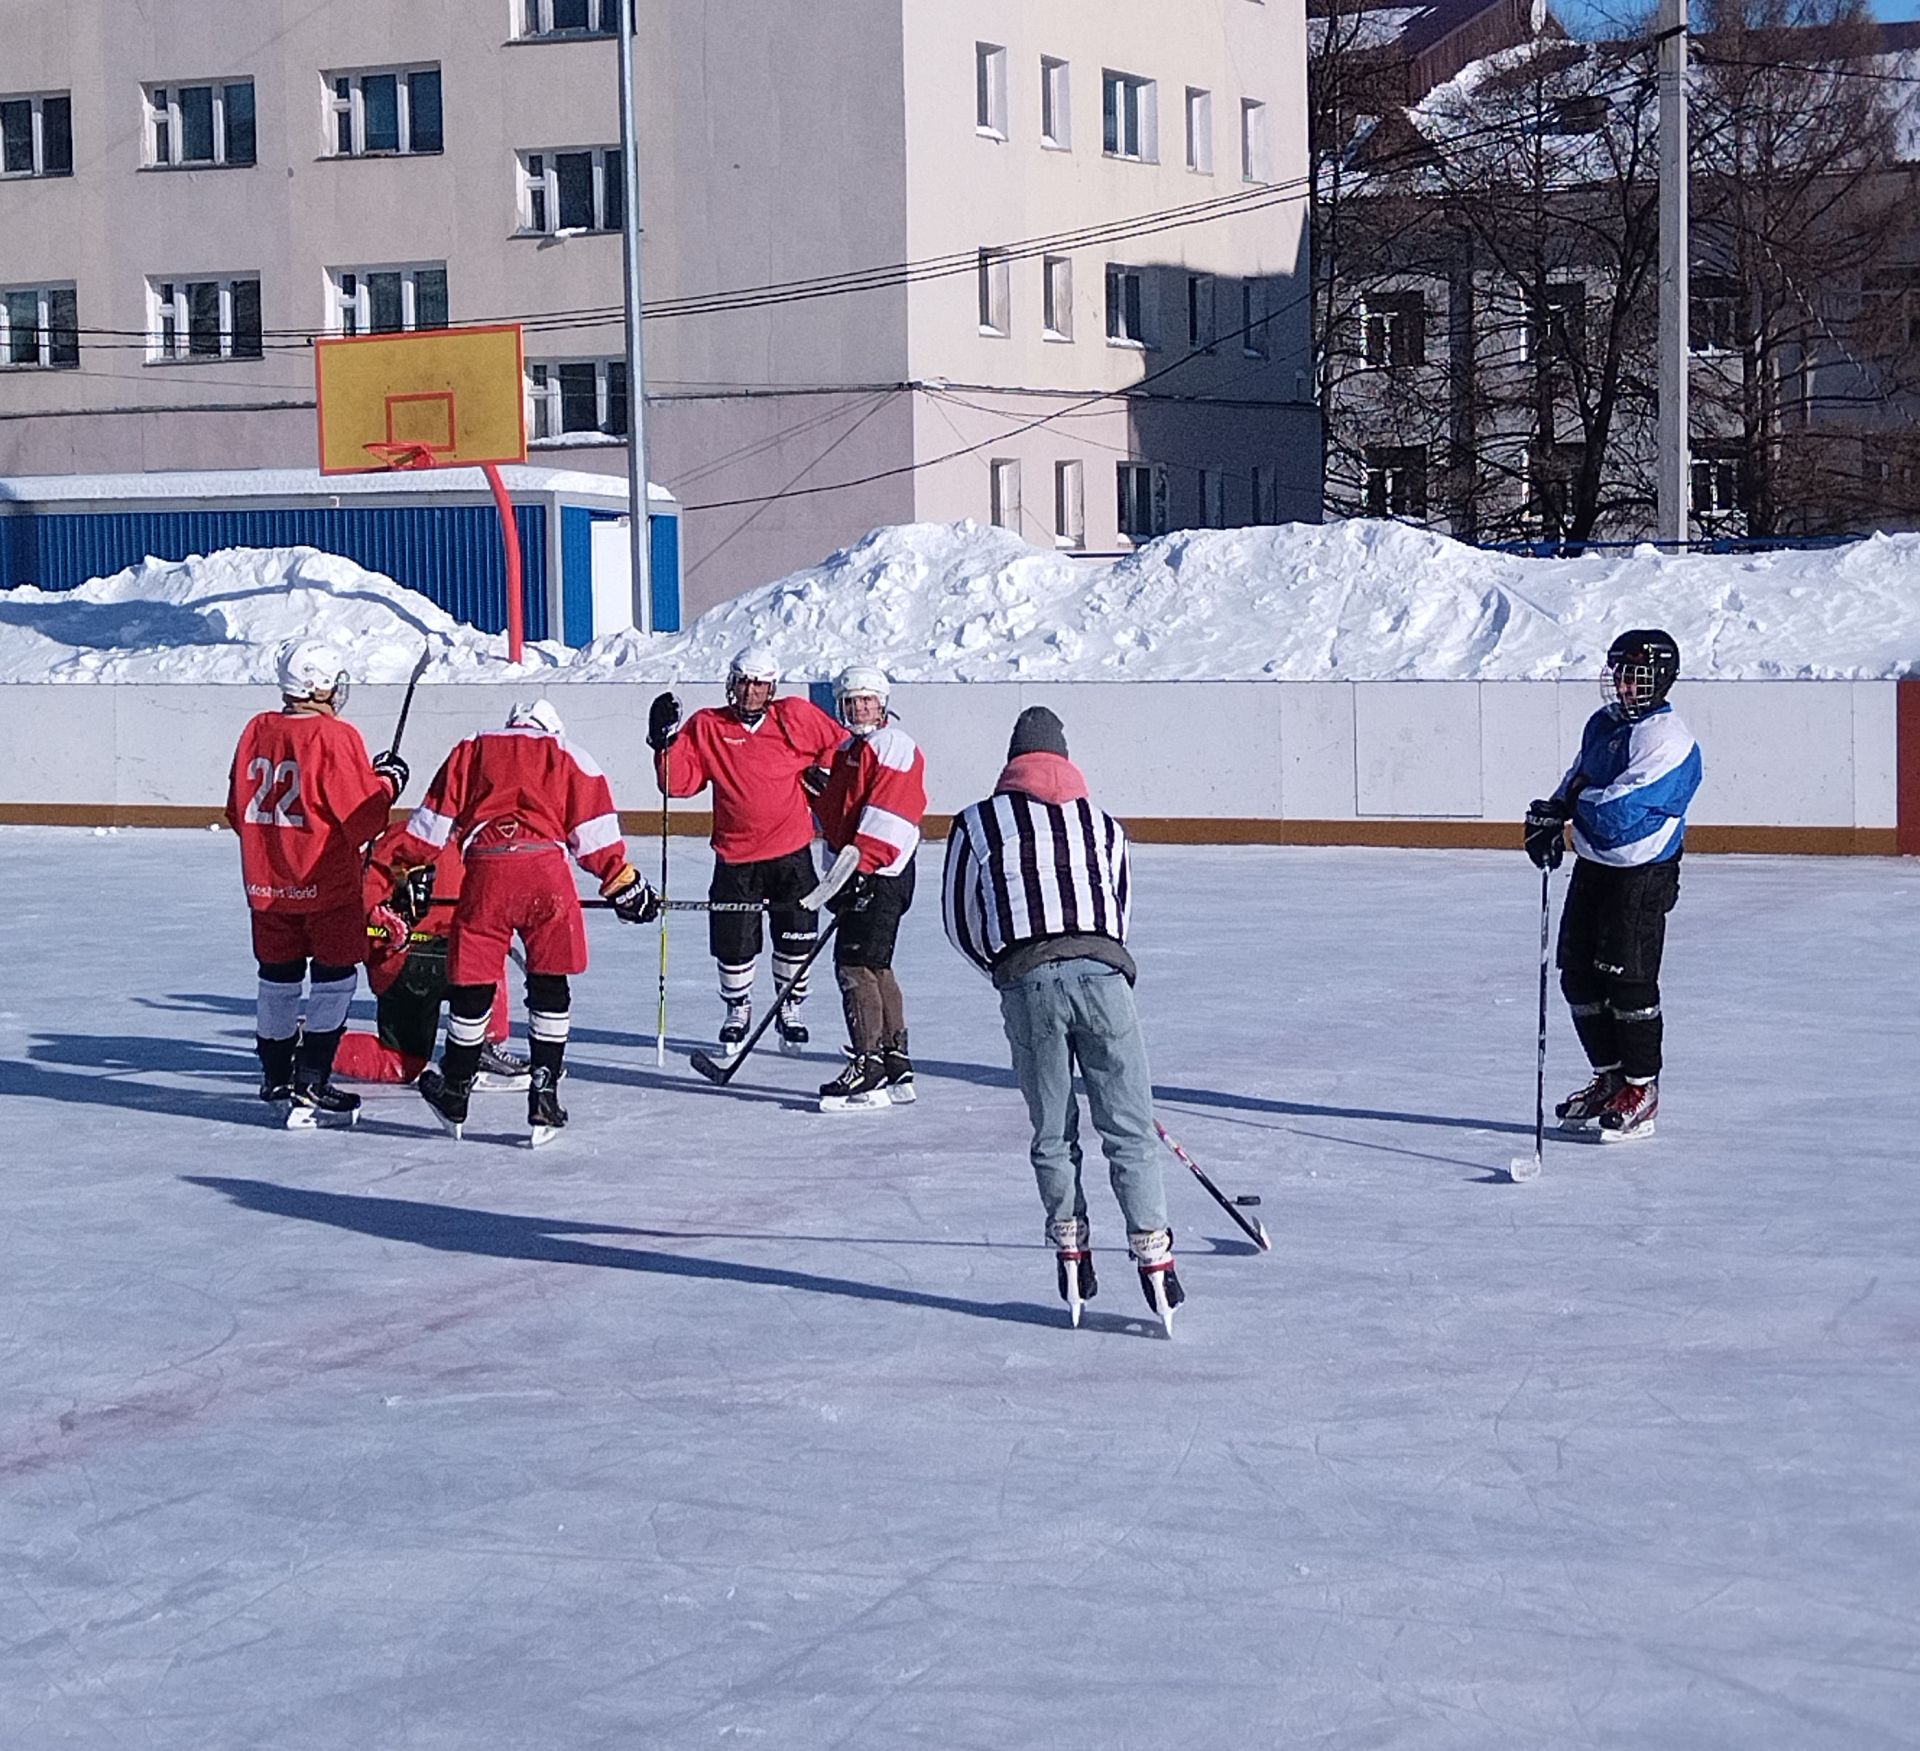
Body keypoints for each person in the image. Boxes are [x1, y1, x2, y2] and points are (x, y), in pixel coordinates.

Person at [941, 705, 1182, 1330]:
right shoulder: (1106, 827)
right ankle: (1155, 1255)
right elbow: (1117, 915)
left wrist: (1007, 969)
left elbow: (959, 921)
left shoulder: (975, 823)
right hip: (1105, 978)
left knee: (1054, 1132)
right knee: (1127, 1128)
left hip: (1028, 982)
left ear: (1012, 761)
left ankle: (1072, 1250)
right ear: (1066, 760)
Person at [391, 699, 659, 1144]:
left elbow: (432, 823)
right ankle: (545, 1096)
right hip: (545, 874)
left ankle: (456, 1089)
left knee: (473, 982)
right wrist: (622, 880)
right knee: (549, 983)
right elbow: (593, 831)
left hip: (486, 872)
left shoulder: (474, 747)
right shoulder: (567, 752)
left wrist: (407, 868)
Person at [1525, 628, 1703, 1142]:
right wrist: (1550, 812)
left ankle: (1641, 1089)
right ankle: (1609, 1078)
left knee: (1629, 982)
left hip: (1642, 873)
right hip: (1596, 867)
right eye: (1621, 677)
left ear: (1663, 680)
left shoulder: (1669, 740)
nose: (1625, 689)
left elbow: (1620, 811)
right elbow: (1579, 777)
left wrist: (1571, 817)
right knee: (1577, 975)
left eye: (1637, 679)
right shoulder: (1602, 725)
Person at [226, 638, 407, 1127]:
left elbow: (235, 809)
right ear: (317, 684)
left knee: (277, 980)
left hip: (267, 887)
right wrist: (388, 783)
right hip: (327, 885)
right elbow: (363, 818)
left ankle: (275, 1076)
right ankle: (312, 1079)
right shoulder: (336, 736)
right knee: (334, 978)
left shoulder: (255, 729)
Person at [648, 645, 844, 1055]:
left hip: (791, 850)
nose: (751, 691)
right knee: (733, 939)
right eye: (744, 682)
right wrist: (662, 742)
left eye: (759, 684)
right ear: (731, 683)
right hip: (736, 856)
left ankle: (789, 1006)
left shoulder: (794, 716)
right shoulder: (707, 725)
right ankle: (738, 1008)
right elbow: (678, 784)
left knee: (795, 934)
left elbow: (838, 744)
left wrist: (824, 773)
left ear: (772, 687)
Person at [809, 664, 927, 1112]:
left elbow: (893, 809)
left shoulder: (893, 744)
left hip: (878, 872)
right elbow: (848, 808)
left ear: (883, 704)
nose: (859, 708)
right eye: (852, 701)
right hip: (868, 870)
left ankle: (868, 1066)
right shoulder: (852, 749)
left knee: (854, 966)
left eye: (867, 700)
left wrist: (860, 868)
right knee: (876, 965)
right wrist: (820, 793)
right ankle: (895, 1063)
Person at [333, 825, 525, 1087]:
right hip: (408, 961)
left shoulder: (480, 839)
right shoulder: (409, 835)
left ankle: (482, 1044)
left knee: (487, 943)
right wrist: (381, 917)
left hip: (439, 955)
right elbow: (362, 892)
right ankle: (318, 1043)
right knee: (402, 1064)